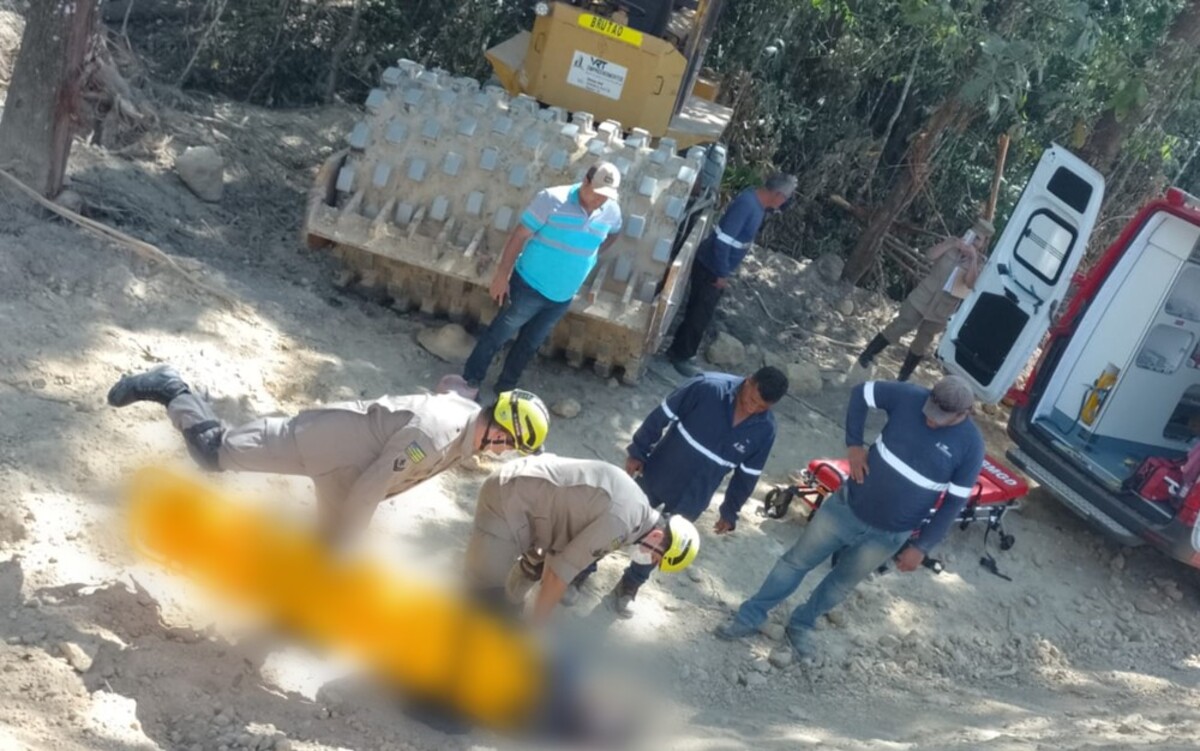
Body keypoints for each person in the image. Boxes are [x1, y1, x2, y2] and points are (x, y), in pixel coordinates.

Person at [106, 365, 550, 543]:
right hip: (318, 444)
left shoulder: (467, 430)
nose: (504, 450)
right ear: (498, 425)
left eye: (512, 448)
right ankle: (172, 389)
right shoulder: (439, 435)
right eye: (509, 441)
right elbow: (369, 490)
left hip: (342, 470)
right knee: (211, 452)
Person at [714, 375, 984, 658]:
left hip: (889, 534)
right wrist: (854, 445)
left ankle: (801, 624)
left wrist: (921, 547)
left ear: (963, 414)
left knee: (840, 584)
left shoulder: (971, 446)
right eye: (930, 411)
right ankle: (749, 616)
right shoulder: (908, 396)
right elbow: (861, 394)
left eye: (940, 418)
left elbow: (954, 503)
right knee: (795, 562)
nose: (930, 421)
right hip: (846, 509)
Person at [567, 366, 787, 618]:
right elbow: (662, 415)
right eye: (751, 400)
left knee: (665, 541)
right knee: (620, 520)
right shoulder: (707, 387)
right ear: (748, 381)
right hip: (658, 472)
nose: (752, 408)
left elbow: (748, 474)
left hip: (695, 494)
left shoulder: (765, 429)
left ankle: (631, 584)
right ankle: (582, 569)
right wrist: (639, 450)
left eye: (761, 407)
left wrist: (730, 510)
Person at [454, 161, 624, 399]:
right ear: (585, 181)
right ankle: (470, 382)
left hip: (562, 295)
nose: (600, 201)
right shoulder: (552, 199)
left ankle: (505, 388)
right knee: (498, 335)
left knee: (530, 344)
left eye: (606, 196)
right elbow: (519, 236)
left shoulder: (612, 210)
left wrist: (589, 253)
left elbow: (615, 232)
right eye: (597, 194)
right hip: (528, 286)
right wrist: (502, 276)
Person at [464, 454, 699, 625]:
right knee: (484, 596)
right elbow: (558, 576)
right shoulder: (622, 523)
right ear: (658, 536)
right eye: (657, 557)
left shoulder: (637, 511)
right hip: (508, 497)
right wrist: (535, 632)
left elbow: (558, 560)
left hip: (529, 497)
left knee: (527, 577)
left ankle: (505, 608)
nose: (650, 561)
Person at [667, 173, 797, 377]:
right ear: (778, 195)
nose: (785, 204)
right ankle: (681, 355)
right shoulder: (748, 205)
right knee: (700, 313)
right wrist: (722, 273)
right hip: (711, 266)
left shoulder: (756, 204)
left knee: (699, 311)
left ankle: (681, 350)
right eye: (786, 199)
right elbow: (723, 241)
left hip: (714, 264)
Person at [855, 217, 995, 382]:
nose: (973, 240)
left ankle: (903, 376)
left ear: (984, 243)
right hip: (923, 296)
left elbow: (970, 283)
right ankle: (868, 354)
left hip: (942, 308)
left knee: (922, 341)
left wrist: (972, 259)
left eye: (978, 239)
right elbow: (929, 255)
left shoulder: (980, 262)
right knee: (899, 326)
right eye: (973, 234)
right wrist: (950, 245)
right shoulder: (951, 243)